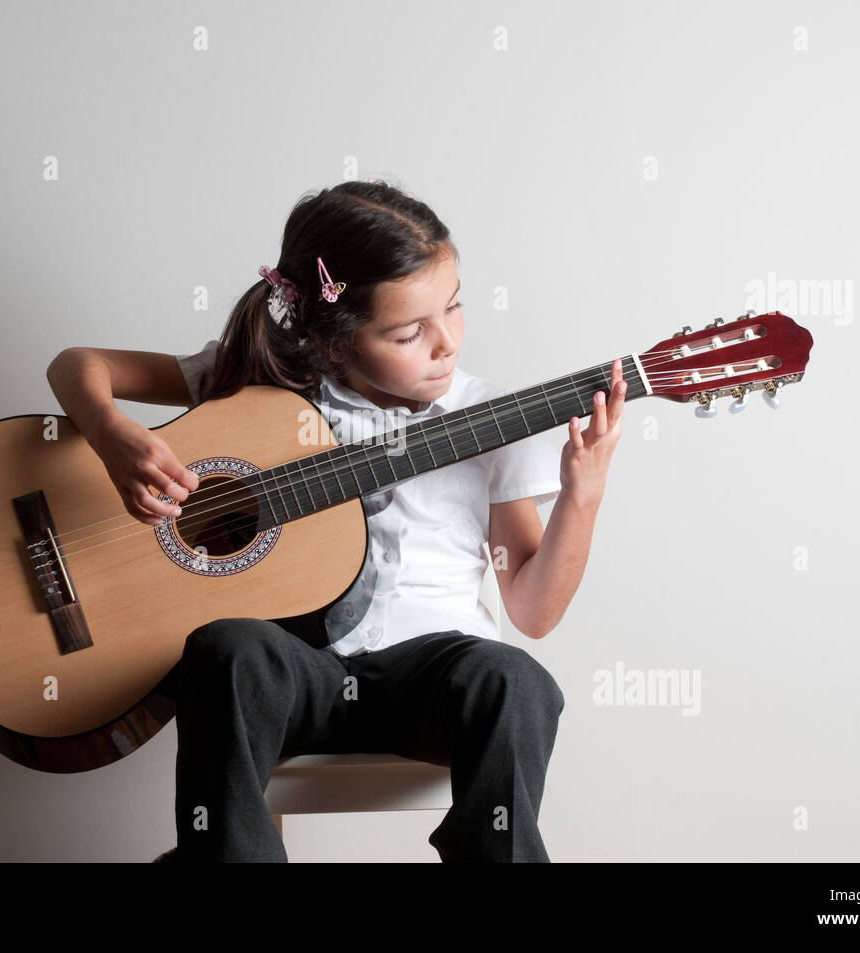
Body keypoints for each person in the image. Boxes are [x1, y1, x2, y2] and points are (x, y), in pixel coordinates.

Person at [45, 180, 627, 862]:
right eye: (409, 332)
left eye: (455, 305)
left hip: (427, 679)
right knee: (229, 649)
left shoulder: (488, 420)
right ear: (332, 343)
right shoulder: (258, 386)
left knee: (517, 680)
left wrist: (582, 495)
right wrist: (114, 436)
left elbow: (532, 609)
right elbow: (76, 365)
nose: (446, 343)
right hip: (298, 677)